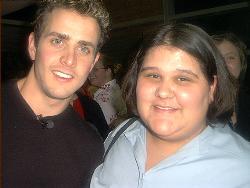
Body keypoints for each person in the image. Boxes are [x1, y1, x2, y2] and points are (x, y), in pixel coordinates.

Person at [90, 23, 250, 188]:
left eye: (183, 78)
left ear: (212, 88)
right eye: (153, 75)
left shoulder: (242, 171)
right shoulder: (120, 137)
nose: (164, 92)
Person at [3, 0, 110, 187]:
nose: (69, 60)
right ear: (33, 46)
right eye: (57, 41)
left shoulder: (90, 147)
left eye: (84, 48)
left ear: (93, 62)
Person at [212, 32, 250, 140]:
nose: (223, 64)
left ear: (241, 63)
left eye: (230, 58)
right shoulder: (197, 106)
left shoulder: (246, 102)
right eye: (217, 59)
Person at [88, 53, 127, 127]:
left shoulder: (103, 97)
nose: (90, 73)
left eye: (95, 69)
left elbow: (105, 129)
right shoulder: (117, 87)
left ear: (108, 71)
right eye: (89, 69)